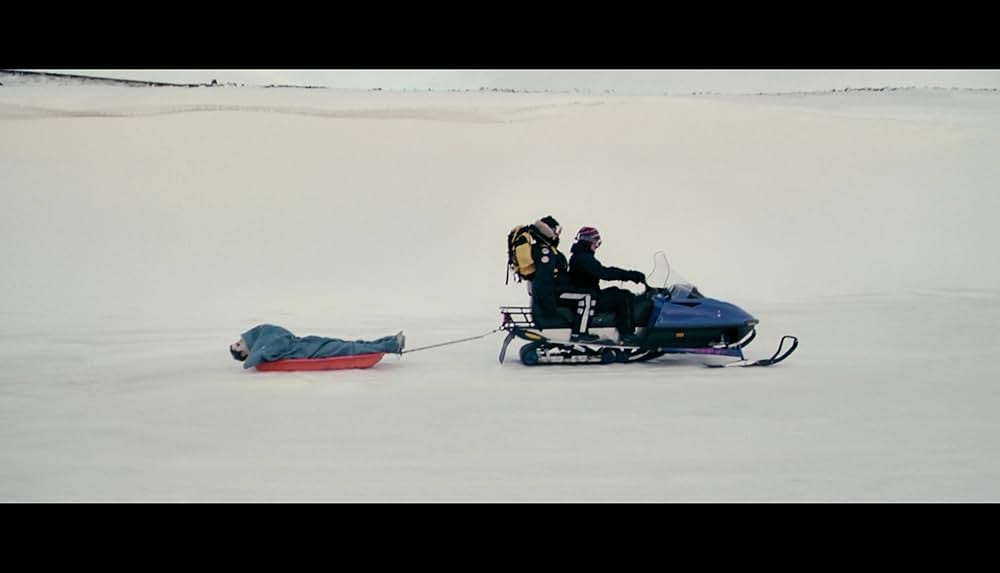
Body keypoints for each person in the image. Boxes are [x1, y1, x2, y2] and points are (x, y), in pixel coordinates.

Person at [568, 226, 646, 345]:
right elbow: (604, 273)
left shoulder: (581, 256)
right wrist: (630, 275)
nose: (596, 246)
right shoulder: (583, 258)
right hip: (589, 297)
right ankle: (627, 334)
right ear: (590, 241)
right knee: (624, 296)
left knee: (616, 291)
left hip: (590, 293)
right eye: (597, 243)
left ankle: (619, 329)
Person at [229, 324, 405, 369]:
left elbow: (278, 335)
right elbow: (274, 348)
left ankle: (389, 341)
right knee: (348, 349)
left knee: (348, 345)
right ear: (245, 351)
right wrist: (255, 355)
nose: (241, 339)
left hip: (308, 343)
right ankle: (391, 344)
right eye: (239, 345)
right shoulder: (262, 347)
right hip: (309, 351)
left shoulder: (262, 336)